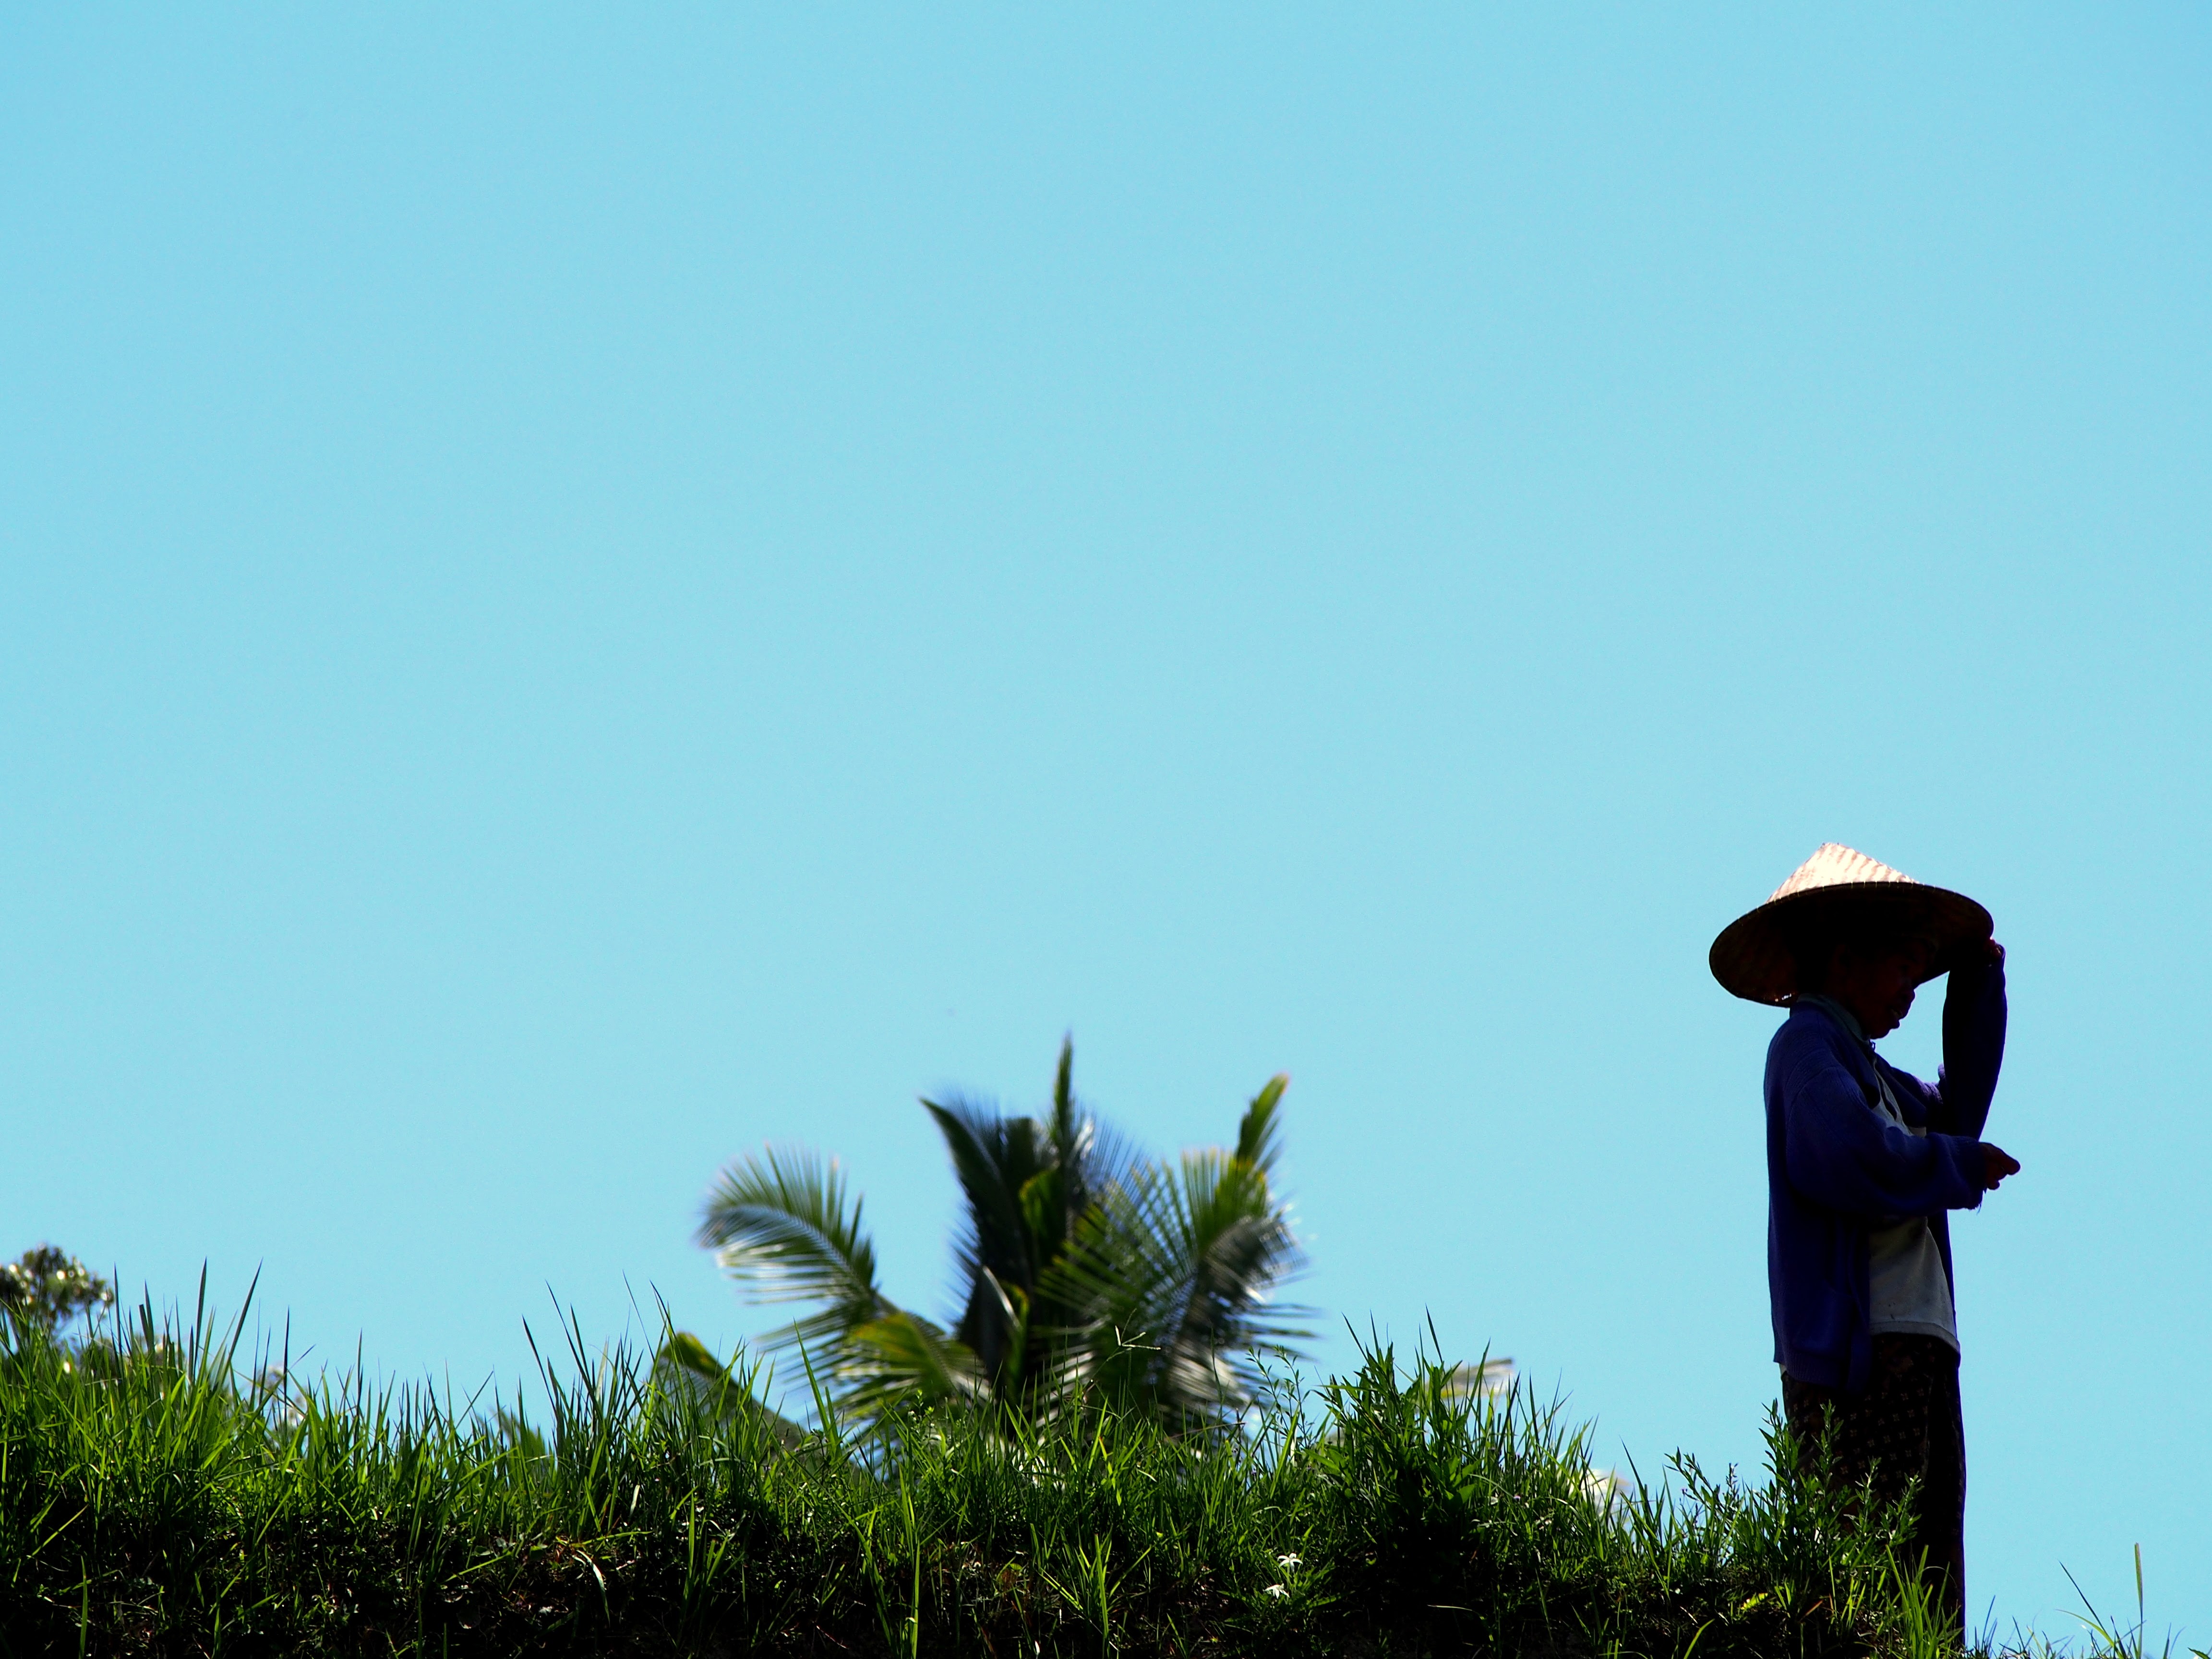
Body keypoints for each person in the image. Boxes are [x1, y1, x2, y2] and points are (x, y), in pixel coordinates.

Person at [1708, 844, 2021, 1630]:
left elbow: (1954, 1121)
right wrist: (1953, 1163)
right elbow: (1843, 1156)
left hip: (1919, 1342)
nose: (1914, 991)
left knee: (1928, 1563)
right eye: (1905, 968)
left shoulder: (1878, 1077)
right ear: (1846, 961)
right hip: (1862, 1352)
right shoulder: (1806, 1048)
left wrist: (1977, 990)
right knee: (1866, 1557)